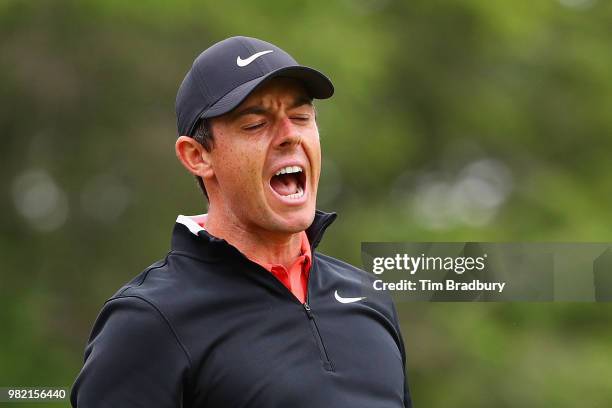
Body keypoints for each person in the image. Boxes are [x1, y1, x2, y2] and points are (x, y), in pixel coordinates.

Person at [71, 36, 412, 408]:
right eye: (255, 124)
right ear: (197, 156)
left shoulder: (368, 296)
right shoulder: (147, 322)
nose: (290, 136)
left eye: (301, 117)